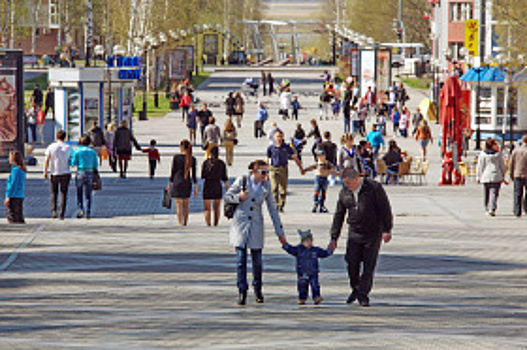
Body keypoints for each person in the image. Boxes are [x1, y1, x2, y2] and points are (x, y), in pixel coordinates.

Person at [223, 159, 286, 305]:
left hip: (256, 224)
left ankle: (258, 289)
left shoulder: (267, 185)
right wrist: (238, 197)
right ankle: (242, 291)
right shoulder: (243, 180)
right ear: (255, 171)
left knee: (257, 261)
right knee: (241, 260)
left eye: (267, 172)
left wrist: (280, 232)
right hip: (240, 223)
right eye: (264, 172)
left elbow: (272, 209)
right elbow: (226, 196)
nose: (266, 175)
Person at [329, 168, 393, 307]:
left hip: (372, 233)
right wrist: (334, 238)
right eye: (345, 183)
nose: (347, 186)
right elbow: (339, 215)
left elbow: (385, 209)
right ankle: (356, 288)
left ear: (356, 179)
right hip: (355, 232)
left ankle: (363, 294)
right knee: (352, 263)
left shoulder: (374, 188)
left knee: (369, 266)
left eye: (348, 183)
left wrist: (387, 229)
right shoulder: (345, 193)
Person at [282, 229, 333, 305]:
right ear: (302, 242)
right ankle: (302, 298)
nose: (309, 243)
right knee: (302, 287)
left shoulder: (315, 250)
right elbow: (290, 249)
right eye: (307, 241)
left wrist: (330, 250)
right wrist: (285, 244)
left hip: (313, 272)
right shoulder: (299, 249)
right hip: (302, 272)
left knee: (315, 285)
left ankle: (316, 297)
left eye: (310, 241)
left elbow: (324, 253)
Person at [267, 130, 305, 212]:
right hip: (273, 168)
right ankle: (276, 205)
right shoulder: (271, 148)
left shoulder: (286, 147)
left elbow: (295, 157)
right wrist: (265, 172)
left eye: (280, 136)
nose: (279, 138)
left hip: (283, 168)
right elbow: (267, 159)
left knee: (283, 189)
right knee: (274, 188)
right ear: (274, 137)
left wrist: (301, 168)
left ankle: (281, 205)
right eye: (277, 136)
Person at [44, 130, 73, 220]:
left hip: (54, 172)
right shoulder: (68, 147)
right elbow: (71, 160)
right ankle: (62, 213)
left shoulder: (51, 147)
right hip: (65, 172)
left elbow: (47, 159)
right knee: (63, 193)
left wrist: (45, 171)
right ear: (65, 137)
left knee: (54, 192)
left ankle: (54, 210)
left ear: (57, 137)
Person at [167, 139, 198, 226]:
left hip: (177, 182)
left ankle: (180, 223)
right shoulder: (192, 159)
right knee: (186, 205)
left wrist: (169, 184)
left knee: (178, 206)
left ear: (181, 147)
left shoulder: (176, 158)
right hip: (187, 182)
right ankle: (185, 223)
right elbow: (194, 175)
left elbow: (173, 172)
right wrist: (196, 186)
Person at [70, 135, 98, 219]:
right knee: (88, 193)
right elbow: (95, 164)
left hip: (80, 172)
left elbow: (73, 163)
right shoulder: (92, 151)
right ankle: (88, 211)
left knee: (79, 192)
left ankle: (81, 209)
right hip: (89, 172)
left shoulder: (77, 151)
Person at [476, 138, 506, 216]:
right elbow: (502, 166)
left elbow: (480, 166)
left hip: (485, 176)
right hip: (496, 175)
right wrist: (503, 175)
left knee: (486, 193)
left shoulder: (482, 154)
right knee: (494, 193)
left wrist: (478, 177)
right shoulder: (498, 155)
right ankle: (492, 208)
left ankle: (486, 207)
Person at [201, 146, 229, 226]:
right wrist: (227, 189)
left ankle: (208, 224)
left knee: (207, 208)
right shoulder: (221, 163)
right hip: (217, 184)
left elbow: (203, 175)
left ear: (210, 153)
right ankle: (216, 224)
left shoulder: (206, 163)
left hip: (208, 184)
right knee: (216, 207)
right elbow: (225, 177)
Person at [5, 151, 26, 224]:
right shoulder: (21, 170)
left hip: (14, 196)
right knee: (19, 215)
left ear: (13, 160)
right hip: (20, 195)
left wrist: (8, 197)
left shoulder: (15, 171)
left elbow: (12, 185)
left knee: (12, 216)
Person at [509, 134, 527, 217]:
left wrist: (511, 174)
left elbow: (511, 163)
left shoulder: (516, 151)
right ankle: (526, 208)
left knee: (517, 193)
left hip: (517, 173)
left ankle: (517, 210)